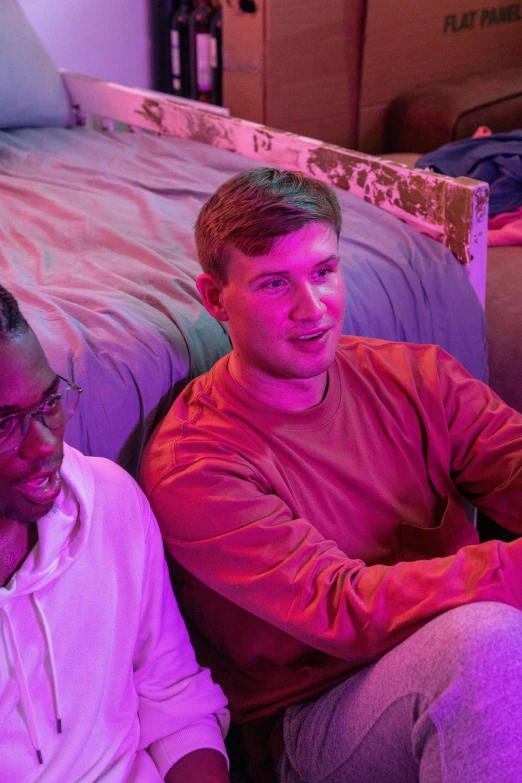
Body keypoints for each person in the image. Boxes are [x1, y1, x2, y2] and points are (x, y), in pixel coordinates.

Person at [140, 167, 522, 783]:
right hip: (315, 717)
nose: (310, 308)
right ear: (214, 299)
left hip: (458, 654)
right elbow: (342, 608)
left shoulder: (416, 376)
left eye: (323, 271)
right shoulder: (197, 464)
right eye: (273, 284)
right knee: (487, 646)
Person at [0, 285, 230, 783]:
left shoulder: (109, 501)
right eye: (3, 425)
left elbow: (173, 698)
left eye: (49, 403)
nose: (43, 445)